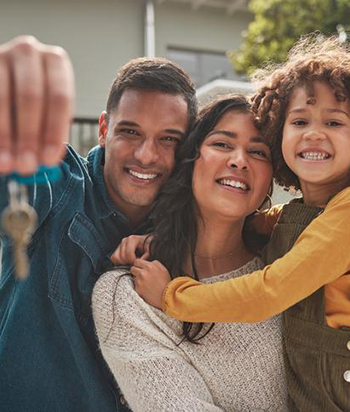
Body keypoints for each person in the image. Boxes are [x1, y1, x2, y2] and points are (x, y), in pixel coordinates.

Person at [125, 34, 350, 411]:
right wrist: (161, 236)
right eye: (299, 121)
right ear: (280, 135)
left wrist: (173, 297)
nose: (313, 132)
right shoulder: (306, 212)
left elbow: (270, 292)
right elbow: (264, 225)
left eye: (334, 121)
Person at [0, 35, 197, 412]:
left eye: (168, 139)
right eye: (130, 131)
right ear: (104, 129)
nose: (146, 155)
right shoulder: (57, 183)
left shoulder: (190, 228)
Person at [92, 95, 289, 412]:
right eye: (222, 144)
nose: (240, 161)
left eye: (258, 151)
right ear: (189, 159)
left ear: (270, 177)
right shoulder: (127, 297)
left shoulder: (291, 264)